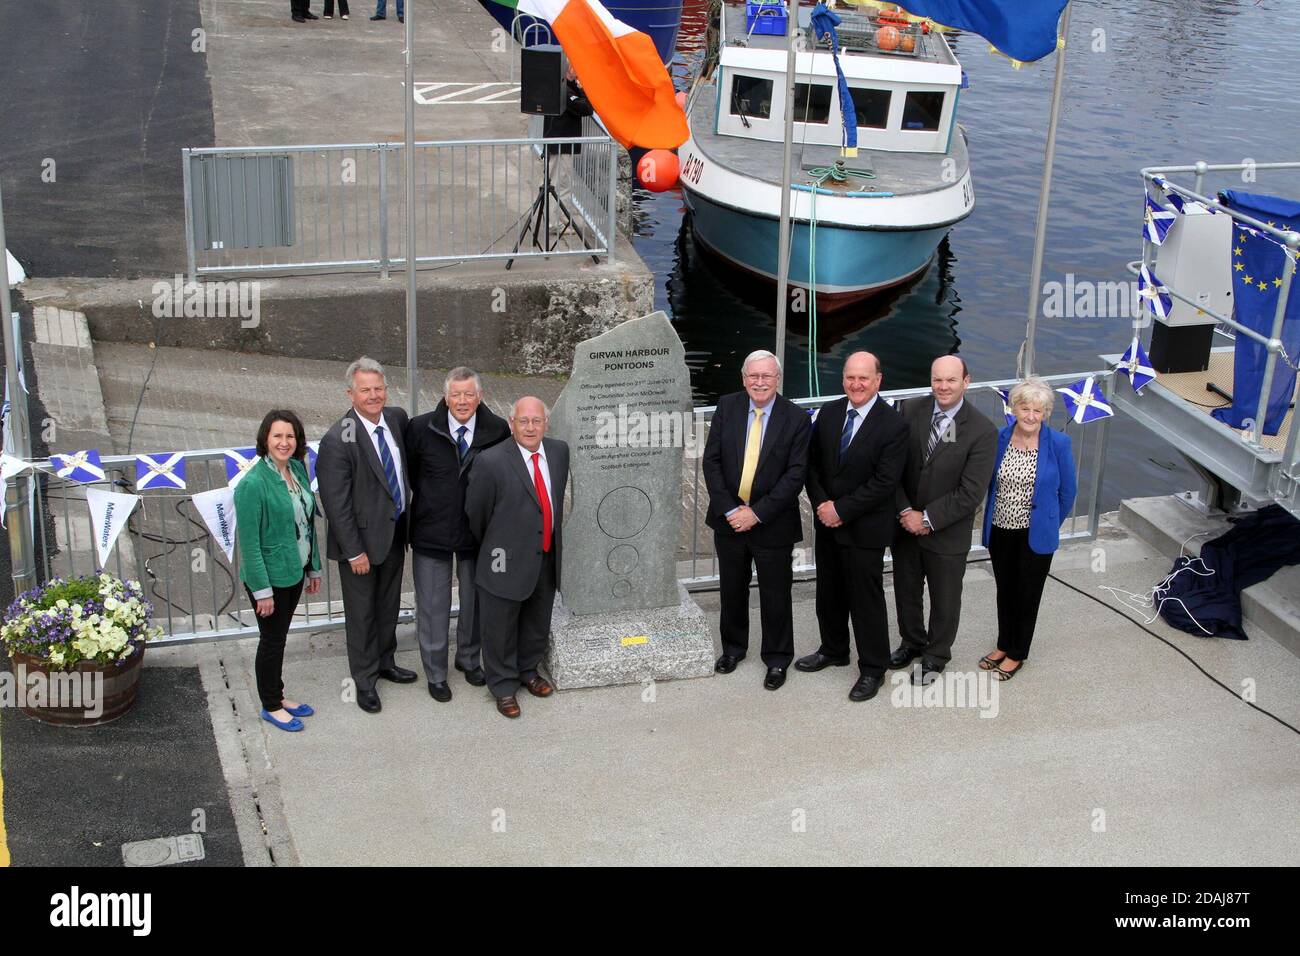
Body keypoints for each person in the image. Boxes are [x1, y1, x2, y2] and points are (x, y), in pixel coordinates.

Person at [797, 351, 909, 701]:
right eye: (850, 377)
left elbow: (885, 482)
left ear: (878, 381)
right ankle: (833, 649)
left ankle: (873, 668)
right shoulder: (829, 413)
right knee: (828, 593)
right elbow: (811, 465)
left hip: (865, 529)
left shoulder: (893, 425)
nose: (856, 384)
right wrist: (821, 505)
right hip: (827, 523)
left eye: (863, 378)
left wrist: (841, 509)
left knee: (866, 600)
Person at [701, 350, 810, 690]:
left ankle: (777, 659)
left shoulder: (796, 418)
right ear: (743, 379)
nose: (759, 382)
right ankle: (733, 649)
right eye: (753, 376)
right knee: (732, 590)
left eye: (766, 377)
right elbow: (712, 461)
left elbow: (795, 476)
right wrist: (731, 510)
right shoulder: (727, 406)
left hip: (772, 523)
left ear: (777, 380)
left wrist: (757, 512)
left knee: (776, 594)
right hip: (729, 521)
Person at [315, 357, 416, 714]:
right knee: (362, 614)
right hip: (359, 546)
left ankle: (385, 661)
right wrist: (353, 551)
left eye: (378, 388)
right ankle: (364, 680)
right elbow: (335, 504)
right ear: (350, 393)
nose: (373, 395)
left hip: (393, 533)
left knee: (388, 605)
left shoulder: (396, 419)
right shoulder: (337, 440)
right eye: (365, 390)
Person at [890, 356, 997, 684]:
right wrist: (906, 511)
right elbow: (892, 468)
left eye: (951, 380)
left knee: (945, 598)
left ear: (966, 381)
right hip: (905, 525)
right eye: (938, 380)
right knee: (906, 589)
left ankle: (936, 655)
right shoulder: (909, 410)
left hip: (946, 532)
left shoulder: (982, 430)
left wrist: (928, 519)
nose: (943, 387)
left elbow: (970, 492)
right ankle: (912, 641)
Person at [405, 368, 510, 703]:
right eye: (456, 395)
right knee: (433, 608)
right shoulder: (420, 428)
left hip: (477, 535)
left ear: (479, 396)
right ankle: (436, 674)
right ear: (445, 396)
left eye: (469, 395)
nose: (462, 402)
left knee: (475, 603)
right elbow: (410, 474)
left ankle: (468, 659)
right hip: (431, 532)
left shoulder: (497, 430)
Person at [464, 396, 569, 719]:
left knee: (537, 620)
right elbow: (476, 514)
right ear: (511, 424)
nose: (530, 427)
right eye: (523, 421)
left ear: (545, 424)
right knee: (500, 627)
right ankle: (503, 686)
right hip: (503, 560)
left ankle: (528, 670)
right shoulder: (490, 461)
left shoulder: (559, 452)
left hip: (545, 556)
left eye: (536, 421)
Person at [978, 378, 1077, 681]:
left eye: (1037, 410)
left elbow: (1068, 492)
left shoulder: (1059, 444)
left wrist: (1049, 522)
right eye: (1025, 408)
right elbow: (990, 483)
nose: (1031, 416)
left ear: (1045, 412)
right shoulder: (998, 438)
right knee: (1005, 590)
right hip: (1000, 529)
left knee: (1027, 594)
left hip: (1035, 533)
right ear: (1014, 408)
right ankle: (1003, 644)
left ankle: (1018, 653)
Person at [234, 410, 322, 732]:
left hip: (295, 571)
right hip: (269, 579)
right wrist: (262, 590)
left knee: (280, 638)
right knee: (271, 640)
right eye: (277, 436)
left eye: (290, 436)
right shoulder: (252, 485)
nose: (284, 442)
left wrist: (313, 568)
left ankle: (278, 695)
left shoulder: (297, 469)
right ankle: (271, 704)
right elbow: (250, 544)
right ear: (265, 439)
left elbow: (308, 524)